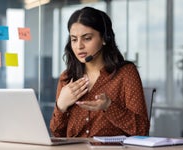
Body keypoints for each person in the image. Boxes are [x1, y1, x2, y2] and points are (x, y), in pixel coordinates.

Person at [50, 7, 150, 138]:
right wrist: (61, 106)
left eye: (87, 38)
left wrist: (109, 106)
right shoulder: (67, 77)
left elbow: (142, 130)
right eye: (74, 39)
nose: (79, 46)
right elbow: (57, 134)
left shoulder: (125, 73)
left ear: (104, 38)